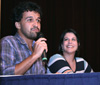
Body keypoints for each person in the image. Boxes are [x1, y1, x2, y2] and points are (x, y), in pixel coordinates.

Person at [0, 1, 48, 75]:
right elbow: (5, 73)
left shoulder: (37, 46)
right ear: (18, 25)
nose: (36, 24)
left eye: (38, 20)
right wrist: (34, 56)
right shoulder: (8, 42)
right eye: (30, 20)